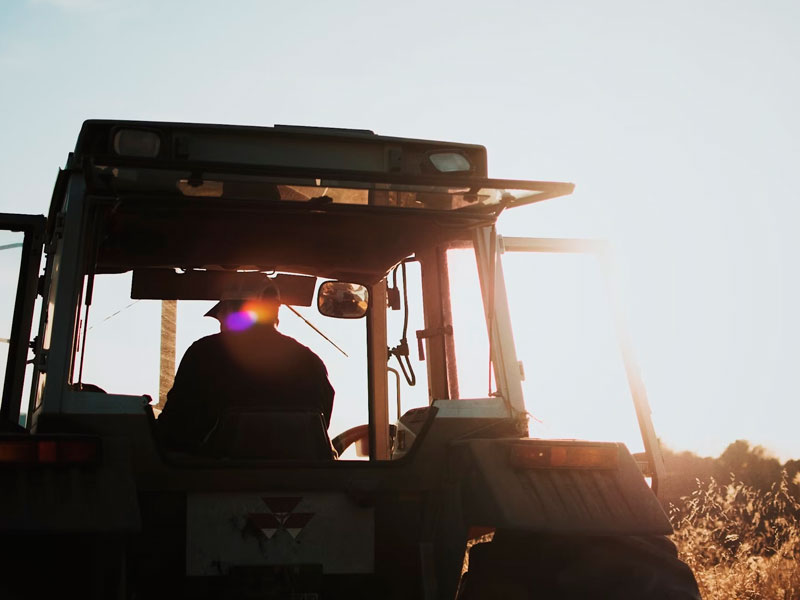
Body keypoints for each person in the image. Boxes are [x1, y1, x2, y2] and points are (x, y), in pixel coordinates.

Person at [157, 283, 334, 453]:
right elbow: (319, 427)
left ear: (231, 311)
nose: (220, 322)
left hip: (212, 479)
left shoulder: (203, 353)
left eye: (221, 313)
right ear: (275, 312)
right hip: (302, 477)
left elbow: (173, 427)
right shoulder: (311, 362)